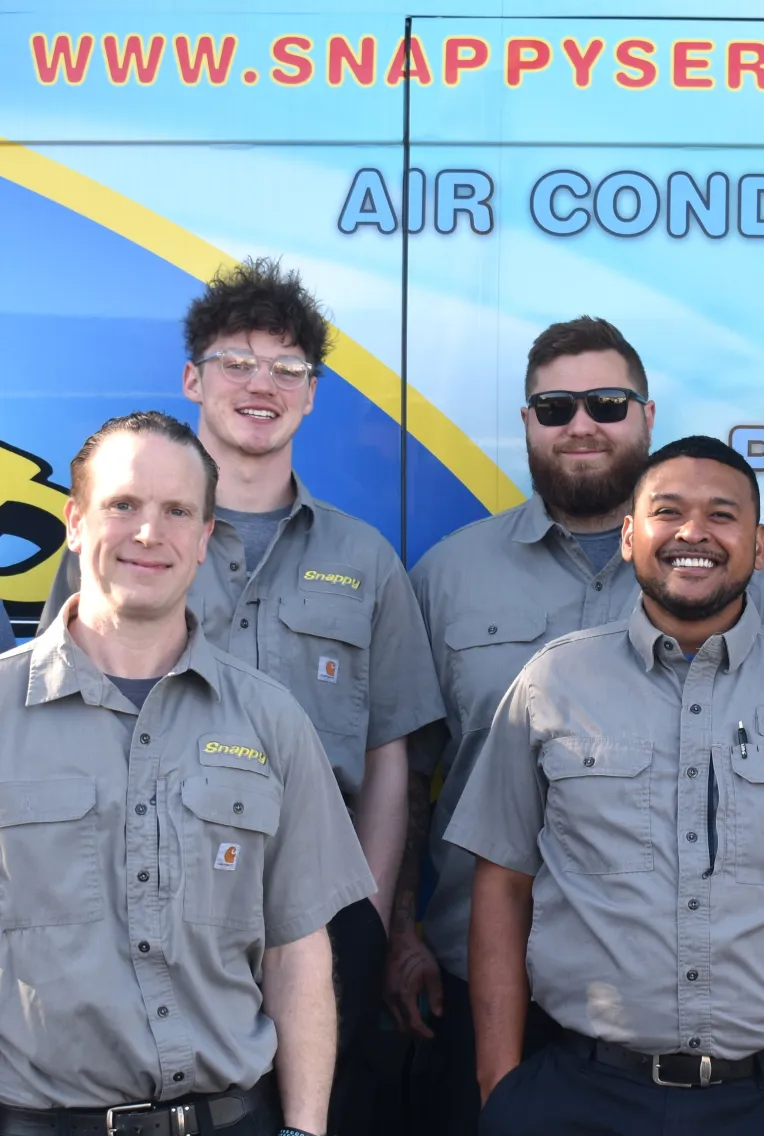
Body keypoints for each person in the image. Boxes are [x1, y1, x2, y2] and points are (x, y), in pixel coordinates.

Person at [39, 260, 445, 1134]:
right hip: (150, 916)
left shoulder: (366, 558)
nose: (261, 385)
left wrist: (363, 922)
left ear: (311, 395)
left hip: (319, 921)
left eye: (288, 369)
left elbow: (387, 760)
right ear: (193, 379)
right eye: (236, 361)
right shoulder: (119, 551)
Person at [444, 436, 764, 1136]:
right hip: (580, 1099)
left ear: (760, 544)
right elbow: (501, 884)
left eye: (722, 514)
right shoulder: (551, 683)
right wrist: (499, 1084)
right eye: (668, 511)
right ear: (628, 536)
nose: (693, 534)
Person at [393, 317, 764, 1134]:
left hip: (684, 1022)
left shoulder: (744, 583)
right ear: (526, 425)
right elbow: (409, 773)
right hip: (479, 995)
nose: (580, 424)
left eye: (606, 403)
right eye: (553, 407)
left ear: (647, 416)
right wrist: (405, 933)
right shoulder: (448, 576)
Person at [0, 411, 374, 1136]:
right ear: (74, 522)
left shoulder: (272, 721)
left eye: (177, 511)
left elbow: (298, 952)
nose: (149, 532)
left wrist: (303, 1129)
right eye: (123, 505)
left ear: (204, 540)